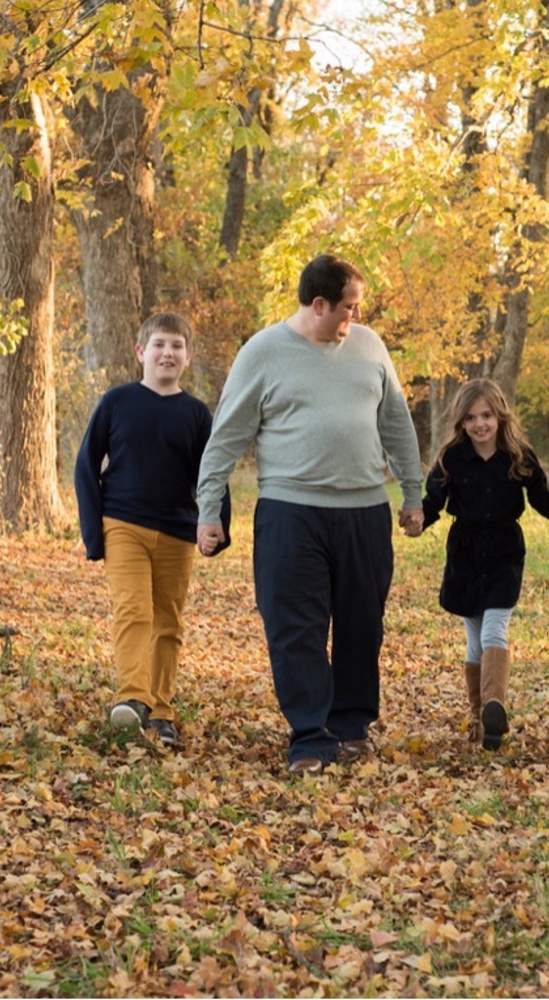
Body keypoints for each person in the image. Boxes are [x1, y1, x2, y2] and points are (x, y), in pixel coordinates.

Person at [195, 254, 424, 776]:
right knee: (295, 627)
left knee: (362, 624)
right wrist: (209, 509)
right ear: (318, 304)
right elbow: (226, 437)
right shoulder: (263, 352)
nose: (355, 317)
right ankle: (310, 736)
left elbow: (397, 425)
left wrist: (412, 494)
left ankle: (351, 727)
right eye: (348, 307)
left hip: (364, 510)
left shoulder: (369, 346)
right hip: (290, 513)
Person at [75, 312, 229, 748]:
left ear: (188, 357)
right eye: (159, 344)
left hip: (178, 532)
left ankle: (160, 711)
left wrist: (216, 522)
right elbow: (86, 464)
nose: (168, 353)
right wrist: (93, 532)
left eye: (177, 346)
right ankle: (131, 699)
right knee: (133, 611)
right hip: (123, 524)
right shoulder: (117, 402)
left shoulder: (197, 414)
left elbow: (212, 473)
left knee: (168, 621)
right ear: (141, 352)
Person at [414, 378, 549, 750]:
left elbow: (542, 498)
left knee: (495, 630)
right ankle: (482, 721)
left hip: (504, 553)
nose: (480, 424)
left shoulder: (518, 457)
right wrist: (417, 521)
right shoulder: (451, 458)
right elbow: (432, 503)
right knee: (475, 641)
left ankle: (494, 704)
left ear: (500, 417)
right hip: (464, 554)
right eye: (471, 418)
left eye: (487, 416)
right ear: (461, 422)